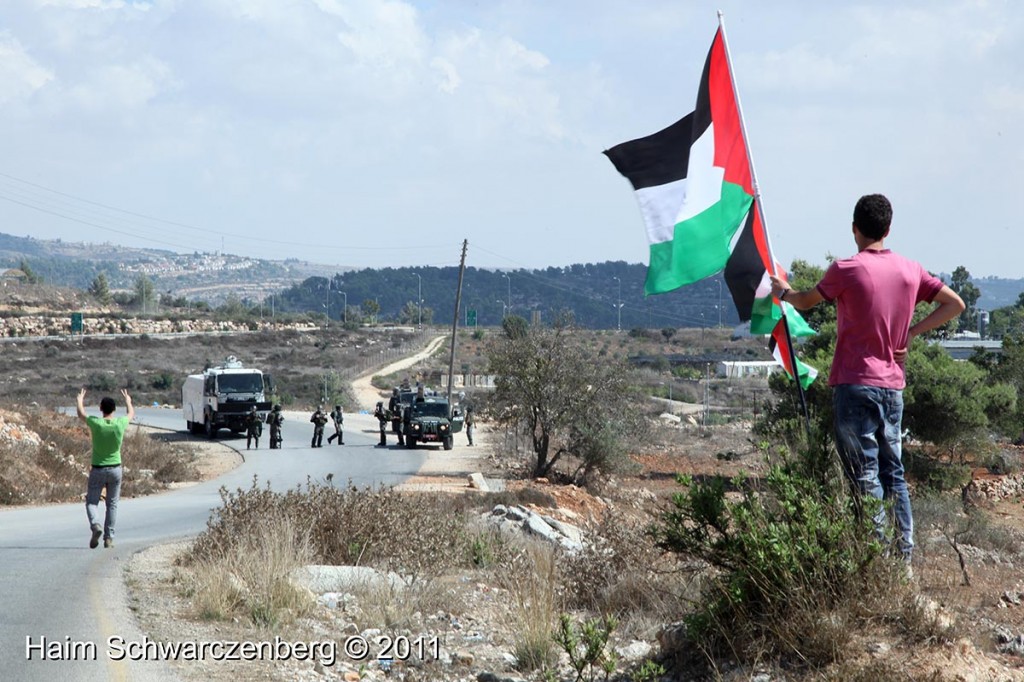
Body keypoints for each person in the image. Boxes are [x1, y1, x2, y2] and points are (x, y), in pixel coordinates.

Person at [769, 194, 965, 566]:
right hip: (893, 387)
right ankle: (902, 562)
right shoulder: (911, 270)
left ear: (854, 228)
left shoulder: (847, 268)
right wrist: (910, 333)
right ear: (888, 229)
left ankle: (874, 561)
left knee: (863, 476)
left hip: (854, 385)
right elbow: (955, 304)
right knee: (894, 473)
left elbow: (808, 301)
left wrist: (784, 292)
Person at [76, 387, 134, 549]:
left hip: (98, 469)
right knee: (112, 504)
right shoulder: (119, 423)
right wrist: (128, 401)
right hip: (115, 469)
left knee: (92, 502)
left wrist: (80, 401)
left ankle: (95, 525)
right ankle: (109, 538)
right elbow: (130, 414)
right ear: (114, 409)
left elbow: (81, 415)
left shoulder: (96, 423)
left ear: (101, 409)